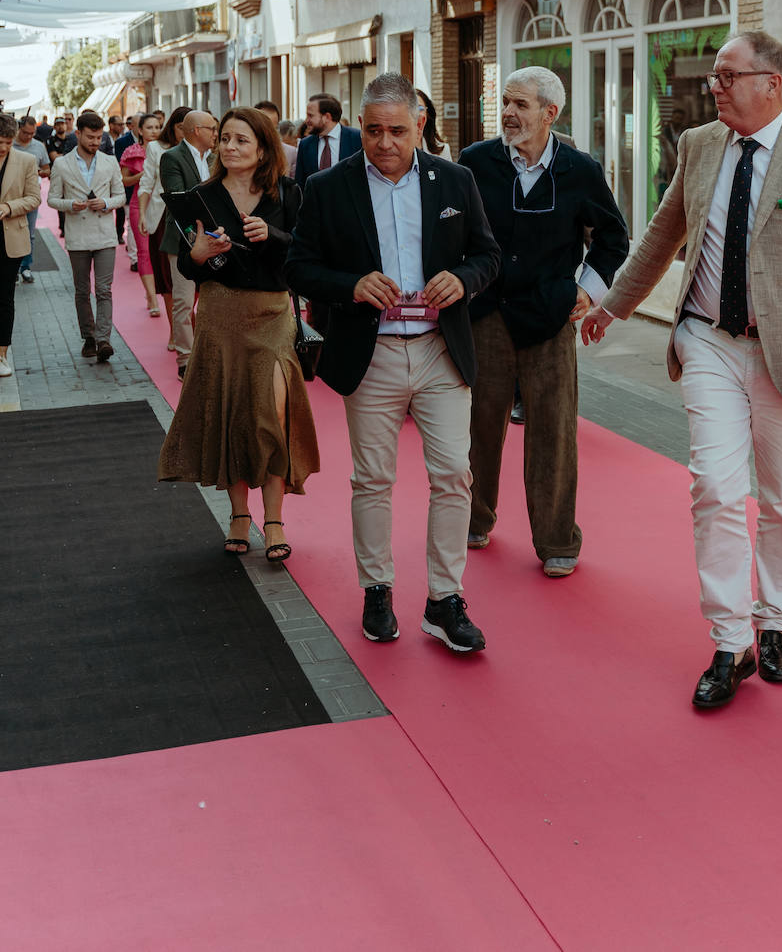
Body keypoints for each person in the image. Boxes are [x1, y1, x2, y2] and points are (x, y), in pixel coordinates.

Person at [581, 31, 782, 709]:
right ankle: (729, 639)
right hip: (711, 340)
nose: (712, 86)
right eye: (715, 76)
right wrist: (611, 304)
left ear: (771, 83)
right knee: (714, 488)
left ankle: (775, 625)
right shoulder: (699, 145)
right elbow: (663, 232)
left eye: (726, 75)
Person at [286, 73, 500, 651]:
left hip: (439, 351)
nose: (383, 142)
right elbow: (300, 267)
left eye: (396, 130)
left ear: (420, 125)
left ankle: (444, 599)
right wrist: (351, 285)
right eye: (373, 129)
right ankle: (376, 588)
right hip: (371, 353)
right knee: (373, 479)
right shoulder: (330, 187)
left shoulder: (455, 179)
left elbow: (487, 254)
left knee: (454, 474)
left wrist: (464, 278)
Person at [458, 67, 628, 577]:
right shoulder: (474, 162)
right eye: (505, 103)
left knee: (553, 433)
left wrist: (586, 291)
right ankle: (473, 518)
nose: (509, 114)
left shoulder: (580, 170)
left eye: (521, 105)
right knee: (480, 427)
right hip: (485, 315)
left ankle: (557, 541)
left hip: (550, 319)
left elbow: (613, 238)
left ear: (550, 113)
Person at [158, 107, 319, 562]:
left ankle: (274, 519)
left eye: (240, 140)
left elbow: (306, 254)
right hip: (219, 313)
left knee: (270, 414)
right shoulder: (201, 196)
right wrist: (199, 254)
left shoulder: (288, 193)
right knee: (229, 413)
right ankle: (238, 516)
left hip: (271, 316)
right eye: (224, 138)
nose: (229, 147)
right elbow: (189, 265)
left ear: (264, 147)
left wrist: (275, 236)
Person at [48, 110, 125, 364]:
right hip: (78, 235)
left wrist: (105, 202)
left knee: (104, 290)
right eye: (90, 137)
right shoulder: (61, 164)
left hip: (104, 233)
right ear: (77, 133)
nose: (95, 142)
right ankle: (89, 338)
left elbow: (121, 197)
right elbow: (52, 199)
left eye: (98, 137)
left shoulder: (110, 162)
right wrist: (71, 204)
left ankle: (104, 340)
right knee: (82, 291)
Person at [158, 110, 220, 379]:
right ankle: (185, 359)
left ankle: (210, 354)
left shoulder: (217, 158)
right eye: (213, 129)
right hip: (183, 239)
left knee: (214, 300)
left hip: (217, 239)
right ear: (197, 131)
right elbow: (178, 199)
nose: (216, 135)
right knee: (183, 302)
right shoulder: (171, 158)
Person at [137, 106, 192, 352]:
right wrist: (142, 214)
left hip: (193, 220)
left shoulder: (201, 149)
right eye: (182, 127)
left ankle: (186, 324)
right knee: (168, 279)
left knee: (193, 278)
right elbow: (146, 182)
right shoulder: (156, 148)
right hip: (162, 218)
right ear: (173, 126)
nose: (186, 132)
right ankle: (175, 330)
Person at [0, 113, 41, 378]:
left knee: (4, 298)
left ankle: (2, 355)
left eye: (7, 141)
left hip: (10, 239)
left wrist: (8, 207)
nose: (3, 147)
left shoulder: (26, 160)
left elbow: (34, 198)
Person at [119, 113, 163, 316]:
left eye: (157, 127)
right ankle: (152, 298)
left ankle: (157, 292)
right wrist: (143, 175)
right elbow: (124, 181)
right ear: (140, 131)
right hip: (139, 205)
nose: (154, 131)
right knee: (144, 252)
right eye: (150, 127)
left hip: (162, 205)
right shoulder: (131, 151)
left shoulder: (166, 151)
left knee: (161, 253)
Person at [12, 116, 50, 283]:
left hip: (30, 194)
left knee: (30, 233)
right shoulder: (9, 144)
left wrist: (38, 172)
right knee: (10, 233)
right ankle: (11, 269)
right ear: (19, 129)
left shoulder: (38, 146)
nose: (29, 136)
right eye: (26, 133)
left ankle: (25, 267)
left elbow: (47, 169)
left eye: (32, 133)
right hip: (10, 194)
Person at [294, 93, 361, 188]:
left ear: (327, 117)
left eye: (310, 115)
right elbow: (300, 183)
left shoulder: (357, 138)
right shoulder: (305, 145)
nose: (306, 120)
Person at [115, 115, 140, 267]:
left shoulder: (155, 144)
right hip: (130, 190)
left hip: (150, 193)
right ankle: (134, 258)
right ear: (132, 126)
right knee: (131, 224)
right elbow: (121, 169)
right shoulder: (122, 143)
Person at [415, 90, 452, 160]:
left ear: (427, 113)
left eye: (420, 108)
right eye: (410, 108)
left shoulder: (442, 150)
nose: (416, 113)